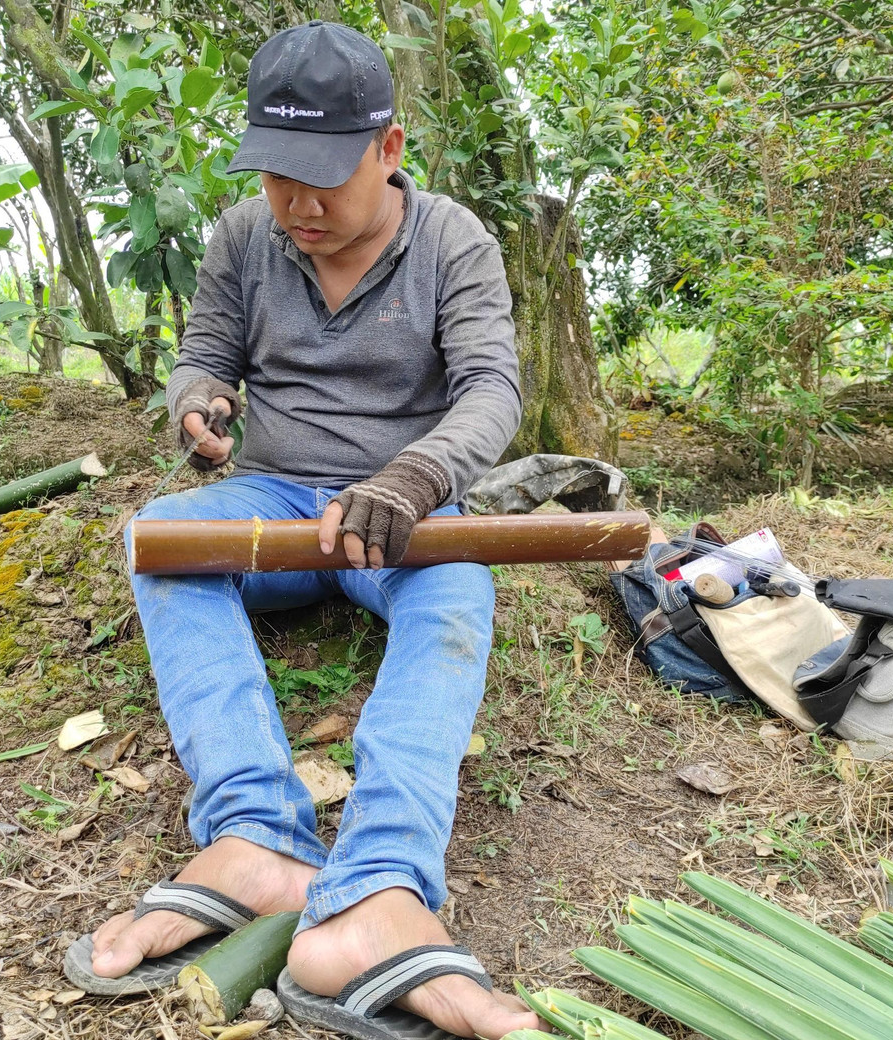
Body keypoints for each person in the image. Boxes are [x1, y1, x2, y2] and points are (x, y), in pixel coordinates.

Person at [67, 20, 540, 1040]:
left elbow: (491, 389)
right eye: (279, 176)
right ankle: (256, 839)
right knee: (163, 538)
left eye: (323, 177)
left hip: (402, 513)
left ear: (389, 148)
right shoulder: (246, 235)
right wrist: (198, 404)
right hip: (273, 501)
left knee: (457, 590)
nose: (299, 205)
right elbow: (206, 351)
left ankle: (378, 888)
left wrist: (413, 477)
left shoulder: (452, 240)